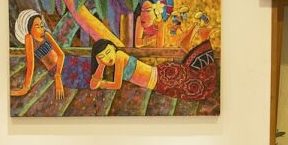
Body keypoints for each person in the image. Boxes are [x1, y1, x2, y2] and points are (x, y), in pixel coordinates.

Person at [89, 38, 217, 101]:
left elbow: (117, 85)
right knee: (193, 88)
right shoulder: (109, 61)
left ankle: (194, 45)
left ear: (113, 48)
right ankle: (191, 47)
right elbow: (93, 85)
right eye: (102, 57)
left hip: (162, 77)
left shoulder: (119, 56)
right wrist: (101, 65)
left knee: (199, 86)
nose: (107, 57)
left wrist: (102, 83)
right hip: (159, 84)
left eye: (108, 52)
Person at [10, 9, 92, 99]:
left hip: (64, 63)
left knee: (90, 65)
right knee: (86, 80)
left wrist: (58, 75)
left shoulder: (47, 35)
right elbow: (30, 64)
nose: (41, 29)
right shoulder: (29, 38)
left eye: (42, 26)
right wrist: (25, 88)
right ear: (29, 29)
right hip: (56, 70)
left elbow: (61, 55)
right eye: (37, 27)